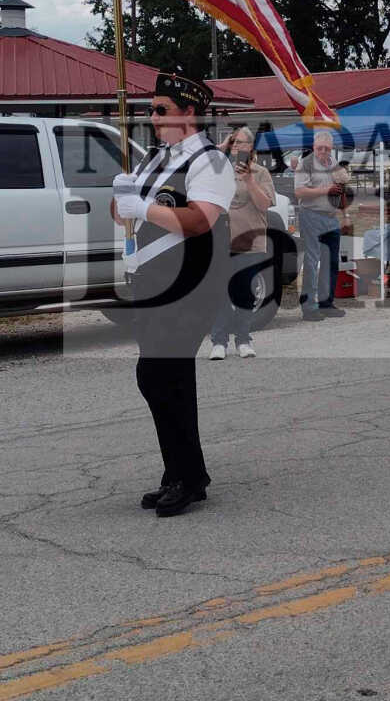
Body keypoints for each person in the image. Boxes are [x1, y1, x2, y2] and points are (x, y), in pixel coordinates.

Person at [110, 71, 235, 517]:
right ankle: (182, 474)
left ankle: (186, 475)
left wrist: (144, 207)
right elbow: (125, 215)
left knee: (159, 375)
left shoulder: (210, 162)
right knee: (167, 377)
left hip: (191, 283)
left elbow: (200, 220)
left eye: (162, 110)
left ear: (189, 113)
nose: (153, 117)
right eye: (151, 110)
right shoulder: (154, 159)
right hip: (153, 280)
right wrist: (122, 198)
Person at [209, 126, 276, 360]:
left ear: (251, 147)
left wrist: (249, 180)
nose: (237, 147)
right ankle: (219, 341)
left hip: (250, 241)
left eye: (241, 143)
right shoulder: (219, 170)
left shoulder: (260, 173)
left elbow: (264, 204)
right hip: (222, 241)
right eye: (234, 142)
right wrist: (221, 149)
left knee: (245, 292)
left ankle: (243, 339)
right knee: (220, 291)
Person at [294, 130, 349, 320]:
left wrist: (345, 215)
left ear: (332, 148)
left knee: (331, 261)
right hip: (311, 215)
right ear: (314, 147)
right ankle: (309, 308)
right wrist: (326, 190)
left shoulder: (333, 163)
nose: (323, 151)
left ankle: (326, 303)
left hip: (331, 217)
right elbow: (299, 192)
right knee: (311, 262)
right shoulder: (305, 164)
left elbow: (342, 187)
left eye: (327, 148)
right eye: (320, 148)